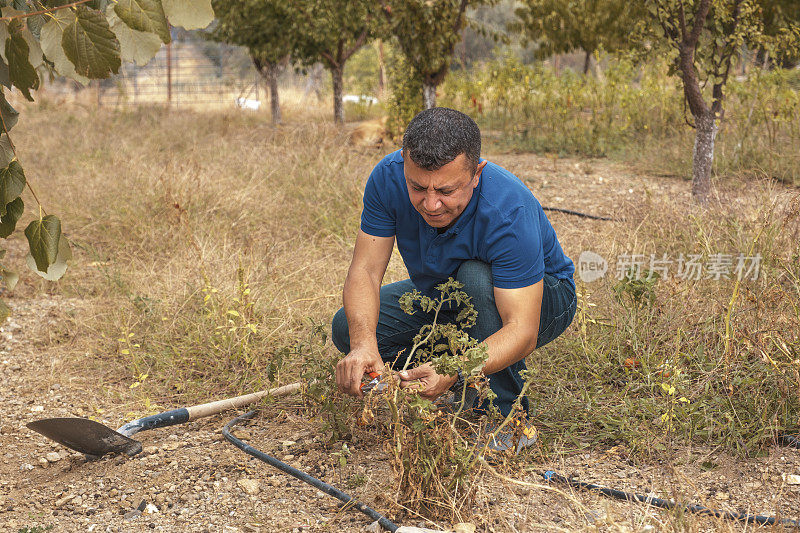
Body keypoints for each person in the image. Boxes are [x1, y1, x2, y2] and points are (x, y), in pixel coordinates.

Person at [331, 107, 576, 448]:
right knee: (349, 325)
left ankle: (507, 418)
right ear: (403, 162)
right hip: (449, 291)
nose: (431, 204)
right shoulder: (387, 178)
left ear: (476, 173)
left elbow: (522, 330)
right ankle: (447, 387)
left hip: (541, 298)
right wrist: (363, 345)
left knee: (476, 278)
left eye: (446, 191)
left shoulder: (508, 209)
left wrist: (455, 367)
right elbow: (366, 271)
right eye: (418, 187)